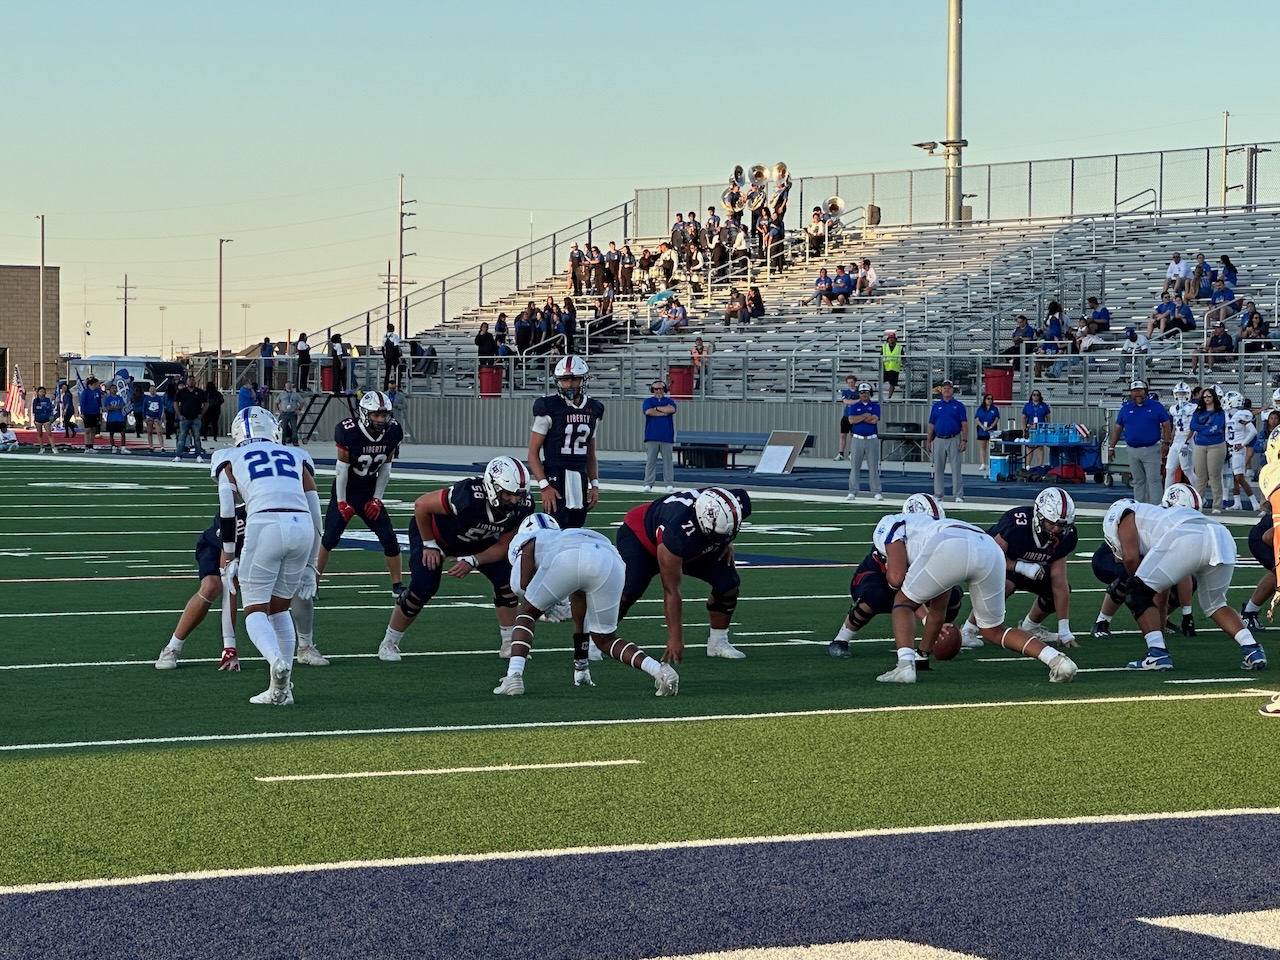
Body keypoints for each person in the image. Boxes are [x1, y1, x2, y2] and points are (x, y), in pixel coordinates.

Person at [871, 507, 1077, 685]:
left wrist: (892, 582)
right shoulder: (930, 528)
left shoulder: (890, 523)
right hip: (987, 547)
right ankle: (1057, 661)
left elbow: (896, 578)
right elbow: (938, 611)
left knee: (903, 603)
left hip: (950, 546)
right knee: (994, 630)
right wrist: (923, 654)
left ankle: (904, 667)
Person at [494, 515, 679, 697]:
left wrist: (543, 609)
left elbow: (519, 586)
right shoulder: (567, 534)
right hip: (610, 559)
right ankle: (659, 671)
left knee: (525, 614)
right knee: (604, 638)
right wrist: (581, 665)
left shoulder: (529, 539)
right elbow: (579, 616)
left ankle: (513, 677)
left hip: (567, 557)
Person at [376, 456, 533, 663]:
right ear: (492, 487)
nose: (513, 500)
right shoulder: (468, 495)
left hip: (478, 540)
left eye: (518, 495)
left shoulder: (522, 506)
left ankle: (508, 642)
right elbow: (422, 505)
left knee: (506, 579)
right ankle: (389, 641)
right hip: (436, 535)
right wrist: (429, 544)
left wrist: (473, 560)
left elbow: (504, 546)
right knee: (423, 586)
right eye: (508, 494)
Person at [216, 406, 323, 706]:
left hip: (264, 525)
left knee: (255, 610)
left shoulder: (230, 457)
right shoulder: (296, 455)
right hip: (301, 525)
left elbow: (227, 508)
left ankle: (277, 662)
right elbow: (316, 511)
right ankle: (282, 690)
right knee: (279, 609)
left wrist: (227, 554)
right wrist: (312, 564)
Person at [1103, 487, 1265, 673]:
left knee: (1136, 590)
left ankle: (1157, 654)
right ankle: (1252, 649)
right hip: (1221, 535)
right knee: (1216, 604)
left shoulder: (1125, 514)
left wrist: (1138, 590)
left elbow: (1130, 558)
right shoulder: (1157, 518)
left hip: (1187, 536)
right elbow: (1161, 593)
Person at [616, 487, 754, 661]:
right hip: (640, 537)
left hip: (692, 539)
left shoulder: (735, 503)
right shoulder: (677, 532)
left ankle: (718, 642)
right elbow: (671, 590)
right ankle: (597, 636)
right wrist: (675, 638)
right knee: (631, 590)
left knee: (728, 583)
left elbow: (730, 515)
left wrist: (727, 540)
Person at [828, 493, 962, 662]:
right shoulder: (896, 533)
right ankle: (842, 638)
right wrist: (927, 618)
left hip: (904, 581)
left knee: (953, 594)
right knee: (875, 595)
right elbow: (899, 582)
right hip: (879, 578)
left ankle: (935, 637)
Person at [958, 488, 1080, 650]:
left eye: (1061, 525)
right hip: (1002, 563)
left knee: (1055, 590)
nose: (1056, 530)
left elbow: (1059, 582)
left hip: (1036, 570)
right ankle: (969, 629)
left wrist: (1064, 630)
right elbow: (991, 558)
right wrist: (1020, 566)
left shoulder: (1067, 537)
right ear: (1039, 516)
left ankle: (1030, 626)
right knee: (1004, 584)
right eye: (1052, 523)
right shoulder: (1017, 524)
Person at [313, 390, 405, 602]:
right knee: (329, 538)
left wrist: (377, 498)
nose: (381, 419)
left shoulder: (393, 432)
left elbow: (386, 467)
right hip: (346, 491)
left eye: (384, 415)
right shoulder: (349, 432)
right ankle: (313, 584)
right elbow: (341, 470)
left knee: (389, 539)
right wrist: (342, 501)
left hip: (369, 493)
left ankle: (397, 585)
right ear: (365, 413)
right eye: (376, 415)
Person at [155, 502, 248, 671]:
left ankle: (304, 645)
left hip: (253, 552)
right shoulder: (236, 517)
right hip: (216, 548)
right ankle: (172, 647)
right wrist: (230, 646)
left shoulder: (279, 515)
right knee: (212, 586)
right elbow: (229, 583)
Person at [527, 355, 604, 529]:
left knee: (576, 526)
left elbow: (590, 453)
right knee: (556, 527)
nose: (569, 385)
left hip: (579, 475)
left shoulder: (594, 409)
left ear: (583, 379)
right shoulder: (549, 406)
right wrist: (544, 486)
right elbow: (533, 453)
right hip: (556, 474)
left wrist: (595, 485)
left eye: (574, 379)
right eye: (565, 380)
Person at [1107, 379, 1171, 505]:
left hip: (1151, 448)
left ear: (1145, 391)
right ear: (1131, 393)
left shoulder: (1156, 406)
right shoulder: (1126, 408)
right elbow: (1117, 428)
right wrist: (1111, 447)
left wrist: (1166, 442)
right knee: (1138, 481)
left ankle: (1156, 508)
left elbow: (1166, 424)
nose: (1137, 394)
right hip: (1132, 449)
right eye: (1134, 391)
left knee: (1154, 480)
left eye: (1140, 391)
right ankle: (1140, 507)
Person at [927, 379, 967, 502]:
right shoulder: (936, 406)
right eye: (944, 388)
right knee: (938, 468)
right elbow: (931, 425)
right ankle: (938, 494)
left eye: (949, 388)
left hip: (954, 438)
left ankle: (958, 494)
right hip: (939, 439)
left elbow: (964, 424)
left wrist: (964, 440)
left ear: (952, 390)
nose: (946, 390)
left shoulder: (959, 406)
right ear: (941, 390)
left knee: (956, 468)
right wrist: (928, 440)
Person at [1189, 386, 1227, 513]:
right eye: (1204, 397)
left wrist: (1202, 428)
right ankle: (1198, 504)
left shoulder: (1219, 413)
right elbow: (1192, 425)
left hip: (1216, 445)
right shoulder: (1198, 412)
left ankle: (1217, 505)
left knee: (1214, 476)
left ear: (1214, 398)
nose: (1206, 399)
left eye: (1209, 396)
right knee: (1200, 476)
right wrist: (1206, 428)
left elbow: (1216, 428)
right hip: (1200, 444)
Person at [845, 382, 882, 502]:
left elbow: (874, 420)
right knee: (855, 466)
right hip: (857, 439)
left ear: (869, 393)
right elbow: (851, 420)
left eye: (866, 392)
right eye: (861, 392)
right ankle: (852, 491)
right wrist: (865, 416)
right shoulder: (854, 406)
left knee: (873, 466)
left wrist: (860, 418)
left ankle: (876, 491)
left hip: (872, 438)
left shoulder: (875, 406)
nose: (864, 394)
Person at [1223, 391, 1258, 511]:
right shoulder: (1228, 415)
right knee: (1233, 478)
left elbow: (1253, 431)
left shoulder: (1241, 414)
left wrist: (1242, 444)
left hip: (1238, 450)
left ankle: (1255, 503)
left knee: (1239, 478)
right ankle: (1237, 502)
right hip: (1230, 448)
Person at [642, 379, 677, 493]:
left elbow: (672, 409)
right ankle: (648, 483)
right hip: (651, 436)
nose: (658, 391)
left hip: (666, 436)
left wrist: (657, 409)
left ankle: (669, 484)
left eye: (661, 389)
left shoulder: (669, 401)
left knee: (668, 461)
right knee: (651, 461)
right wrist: (662, 412)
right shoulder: (648, 401)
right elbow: (648, 412)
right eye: (656, 389)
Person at [1164, 381, 1198, 490]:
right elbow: (1175, 427)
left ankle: (1201, 496)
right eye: (1179, 393)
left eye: (1183, 394)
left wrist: (1187, 442)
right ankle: (1166, 498)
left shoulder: (1193, 407)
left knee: (1187, 470)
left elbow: (1193, 427)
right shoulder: (1174, 409)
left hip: (1187, 440)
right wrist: (1171, 441)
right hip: (1176, 442)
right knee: (1169, 470)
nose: (1181, 396)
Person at [173, 376, 207, 462]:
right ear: (187, 381)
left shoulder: (200, 392)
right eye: (190, 380)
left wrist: (202, 413)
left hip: (196, 418)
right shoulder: (182, 392)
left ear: (195, 381)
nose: (191, 382)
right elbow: (176, 403)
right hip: (185, 418)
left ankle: (198, 455)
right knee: (182, 437)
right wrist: (179, 414)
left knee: (197, 438)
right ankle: (179, 455)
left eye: (193, 380)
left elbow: (206, 403)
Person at [1021, 389, 1050, 470]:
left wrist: (1047, 427)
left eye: (1037, 395)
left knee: (1040, 447)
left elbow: (1048, 418)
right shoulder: (1027, 405)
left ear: (1040, 396)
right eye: (1034, 394)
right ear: (1031, 396)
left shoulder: (1044, 405)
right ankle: (1028, 465)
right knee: (1030, 446)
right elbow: (1023, 417)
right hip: (1031, 428)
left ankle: (1040, 465)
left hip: (1041, 429)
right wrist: (1024, 429)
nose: (1035, 396)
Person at [833, 375, 858, 461]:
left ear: (855, 382)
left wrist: (852, 402)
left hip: (855, 417)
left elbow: (862, 401)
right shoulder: (845, 392)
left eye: (852, 382)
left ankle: (852, 453)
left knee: (853, 436)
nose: (851, 384)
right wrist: (855, 401)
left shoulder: (859, 391)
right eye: (849, 383)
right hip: (846, 416)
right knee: (843, 435)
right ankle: (841, 453)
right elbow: (846, 402)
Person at [974, 393, 1000, 473]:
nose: (989, 400)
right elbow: (977, 419)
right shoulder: (980, 409)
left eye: (991, 399)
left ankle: (992, 463)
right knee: (983, 446)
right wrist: (983, 427)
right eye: (988, 399)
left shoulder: (994, 409)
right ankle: (983, 463)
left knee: (993, 447)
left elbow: (996, 418)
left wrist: (991, 426)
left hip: (991, 429)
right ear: (985, 400)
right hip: (982, 430)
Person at [102, 382, 129, 453]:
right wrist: (115, 408)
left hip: (119, 418)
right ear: (110, 390)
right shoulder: (108, 399)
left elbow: (121, 406)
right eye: (112, 388)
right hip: (111, 418)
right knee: (111, 433)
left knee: (122, 433)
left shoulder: (119, 398)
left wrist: (113, 407)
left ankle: (123, 447)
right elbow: (108, 408)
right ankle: (113, 447)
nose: (114, 390)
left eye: (115, 388)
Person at [79, 376, 104, 453]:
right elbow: (82, 403)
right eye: (96, 384)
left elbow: (100, 401)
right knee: (87, 430)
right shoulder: (86, 392)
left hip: (95, 413)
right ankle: (86, 446)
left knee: (93, 429)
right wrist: (82, 412)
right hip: (87, 413)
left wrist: (100, 412)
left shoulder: (98, 392)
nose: (98, 385)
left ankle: (91, 446)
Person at [275, 381, 302, 446]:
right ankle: (282, 441)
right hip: (284, 413)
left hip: (293, 413)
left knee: (294, 428)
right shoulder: (282, 395)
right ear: (285, 386)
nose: (289, 387)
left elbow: (302, 402)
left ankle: (295, 441)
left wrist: (299, 409)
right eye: (287, 386)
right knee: (283, 428)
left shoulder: (296, 395)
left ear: (291, 386)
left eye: (290, 385)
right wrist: (278, 410)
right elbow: (276, 402)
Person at [142, 383, 166, 452]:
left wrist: (159, 417)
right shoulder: (147, 398)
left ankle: (162, 446)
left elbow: (161, 408)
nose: (152, 391)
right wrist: (144, 417)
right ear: (149, 390)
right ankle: (151, 446)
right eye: (151, 389)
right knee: (149, 432)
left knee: (159, 432)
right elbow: (144, 408)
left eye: (154, 389)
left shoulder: (159, 398)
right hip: (149, 416)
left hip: (156, 417)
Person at [32, 386, 55, 454]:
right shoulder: (35, 400)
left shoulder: (47, 400)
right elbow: (35, 410)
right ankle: (42, 447)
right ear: (38, 393)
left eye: (43, 392)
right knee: (39, 434)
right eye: (40, 392)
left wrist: (42, 408)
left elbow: (49, 409)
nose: (42, 393)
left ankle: (53, 447)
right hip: (38, 419)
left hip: (46, 419)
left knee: (49, 433)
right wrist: (43, 409)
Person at [881, 330, 903, 400]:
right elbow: (881, 356)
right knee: (881, 382)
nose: (891, 340)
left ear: (895, 339)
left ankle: (889, 397)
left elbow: (903, 357)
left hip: (894, 368)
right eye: (890, 338)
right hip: (885, 368)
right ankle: (880, 396)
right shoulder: (884, 347)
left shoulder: (900, 347)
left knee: (892, 384)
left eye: (892, 338)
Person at [382, 323, 403, 390]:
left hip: (387, 357)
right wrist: (399, 356)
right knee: (397, 372)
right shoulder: (394, 336)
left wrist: (384, 357)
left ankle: (385, 387)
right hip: (394, 356)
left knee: (387, 373)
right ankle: (397, 386)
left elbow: (382, 348)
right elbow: (396, 347)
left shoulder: (384, 337)